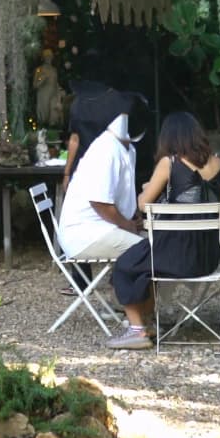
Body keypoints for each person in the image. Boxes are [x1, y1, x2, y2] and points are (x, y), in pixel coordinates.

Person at [103, 112, 220, 350]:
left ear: (170, 139)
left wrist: (146, 191)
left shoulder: (170, 163)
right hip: (208, 258)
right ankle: (149, 321)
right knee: (142, 264)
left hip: (175, 254)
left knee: (124, 266)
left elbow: (143, 205)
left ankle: (137, 331)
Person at [55, 110, 146, 305]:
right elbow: (100, 203)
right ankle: (138, 315)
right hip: (84, 234)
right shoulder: (107, 150)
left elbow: (123, 193)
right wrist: (127, 225)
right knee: (148, 252)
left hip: (101, 227)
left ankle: (123, 302)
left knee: (157, 244)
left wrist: (133, 216)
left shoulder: (128, 149)